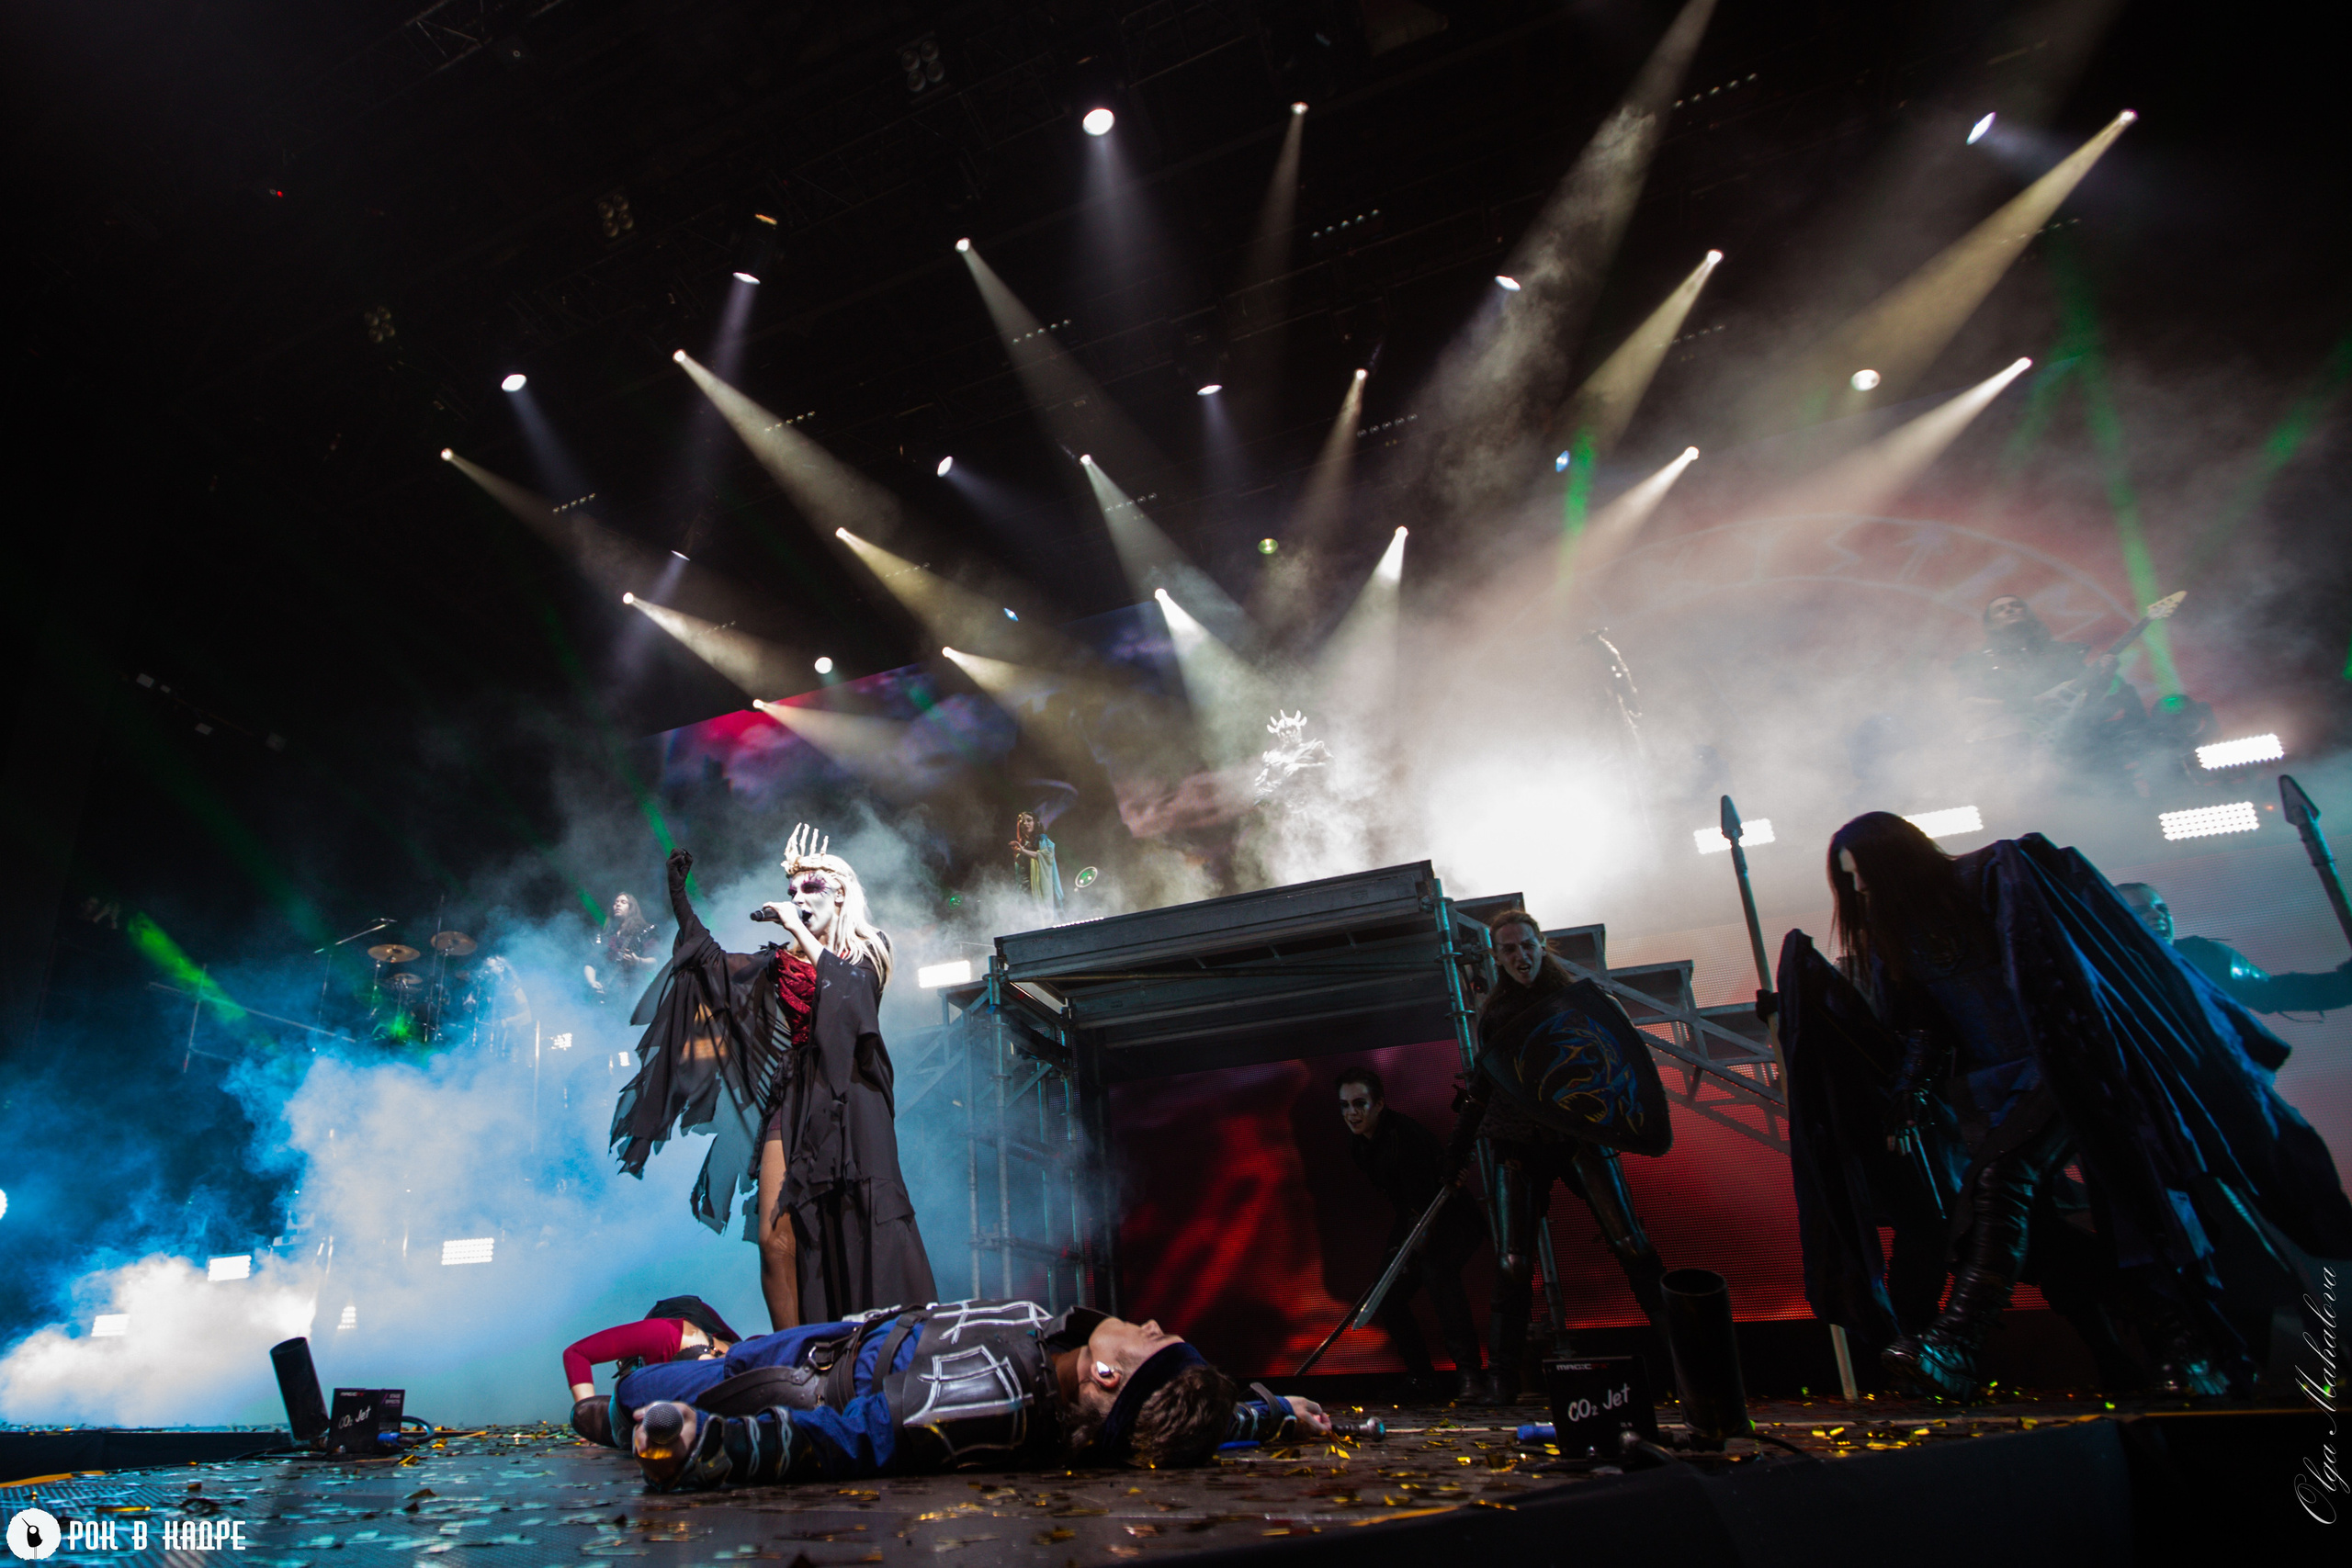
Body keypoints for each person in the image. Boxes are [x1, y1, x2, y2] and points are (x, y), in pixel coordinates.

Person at [1776, 812, 2352, 1401]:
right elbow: (1925, 1019)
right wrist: (1911, 1087)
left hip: (2070, 1058)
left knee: (2042, 1188)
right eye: (1849, 881)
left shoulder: (1995, 875)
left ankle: (1961, 1342)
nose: (1860, 889)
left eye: (1863, 872)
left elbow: (2056, 971)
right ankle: (2174, 1348)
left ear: (1893, 857)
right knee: (2070, 1215)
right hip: (2003, 1085)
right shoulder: (1894, 929)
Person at [611, 825, 935, 1332]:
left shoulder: (870, 947)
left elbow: (850, 1001)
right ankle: (794, 1351)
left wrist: (799, 928)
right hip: (797, 1090)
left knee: (857, 1220)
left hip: (852, 1092)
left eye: (810, 889)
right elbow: (716, 968)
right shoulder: (782, 962)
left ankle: (876, 1344)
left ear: (841, 892)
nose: (798, 899)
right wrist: (681, 900)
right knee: (775, 1237)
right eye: (792, 892)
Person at [606, 1299, 1332, 1490]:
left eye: (1152, 1339)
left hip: (801, 1379)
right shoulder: (1088, 1374)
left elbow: (853, 1439)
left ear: (1109, 1376)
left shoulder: (995, 1394)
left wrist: (711, 1444)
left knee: (624, 1397)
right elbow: (1167, 1419)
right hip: (836, 1336)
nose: (1147, 1323)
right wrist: (1267, 1415)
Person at [1446, 909, 1670, 1405]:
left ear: (1541, 944)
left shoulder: (1579, 1001)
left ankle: (1686, 1361)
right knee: (1511, 1263)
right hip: (1520, 1143)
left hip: (1580, 1135)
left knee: (1632, 1243)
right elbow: (1485, 1086)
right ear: (1497, 958)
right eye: (1509, 949)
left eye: (1527, 945)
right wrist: (1457, 1148)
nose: (1521, 956)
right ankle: (1502, 1378)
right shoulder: (1496, 1017)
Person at [1335, 1066, 1484, 1396]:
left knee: (1438, 1275)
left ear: (1379, 1104)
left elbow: (1427, 1195)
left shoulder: (1405, 1136)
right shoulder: (1359, 1144)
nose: (1352, 1113)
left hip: (1452, 1217)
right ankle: (1422, 1378)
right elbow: (1405, 1203)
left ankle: (1470, 1376)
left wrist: (1416, 1246)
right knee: (1386, 1296)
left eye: (1359, 1103)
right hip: (1412, 1218)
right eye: (1345, 1105)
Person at [1951, 595, 2143, 774]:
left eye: (2016, 606)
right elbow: (1968, 705)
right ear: (1991, 625)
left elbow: (2087, 700)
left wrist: (2106, 675)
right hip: (2010, 755)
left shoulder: (2063, 653)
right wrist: (2032, 703)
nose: (2010, 610)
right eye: (2001, 609)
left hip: (2074, 749)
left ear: (2029, 615)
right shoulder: (1976, 663)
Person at [2115, 882, 2352, 1016]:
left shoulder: (2201, 958)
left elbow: (2272, 992)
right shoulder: (2098, 968)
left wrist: (2345, 983)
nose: (2157, 915)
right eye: (2141, 911)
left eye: (2161, 908)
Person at [561, 1295, 742, 1446]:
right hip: (671, 1324)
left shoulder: (741, 1359)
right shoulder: (664, 1335)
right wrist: (589, 1413)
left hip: (711, 1340)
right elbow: (576, 1354)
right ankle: (630, 1370)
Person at [585, 892, 658, 1001]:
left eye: (623, 902)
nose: (618, 905)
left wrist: (638, 961)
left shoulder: (643, 932)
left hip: (632, 995)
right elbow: (591, 963)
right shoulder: (606, 935)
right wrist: (592, 982)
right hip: (607, 995)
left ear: (631, 908)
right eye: (616, 903)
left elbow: (654, 963)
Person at [1011, 812, 1062, 915]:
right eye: (1022, 822)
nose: (1025, 824)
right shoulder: (1021, 845)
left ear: (1035, 823)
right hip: (1025, 890)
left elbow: (1047, 855)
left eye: (1029, 820)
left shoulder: (1042, 840)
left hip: (1040, 888)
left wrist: (1023, 851)